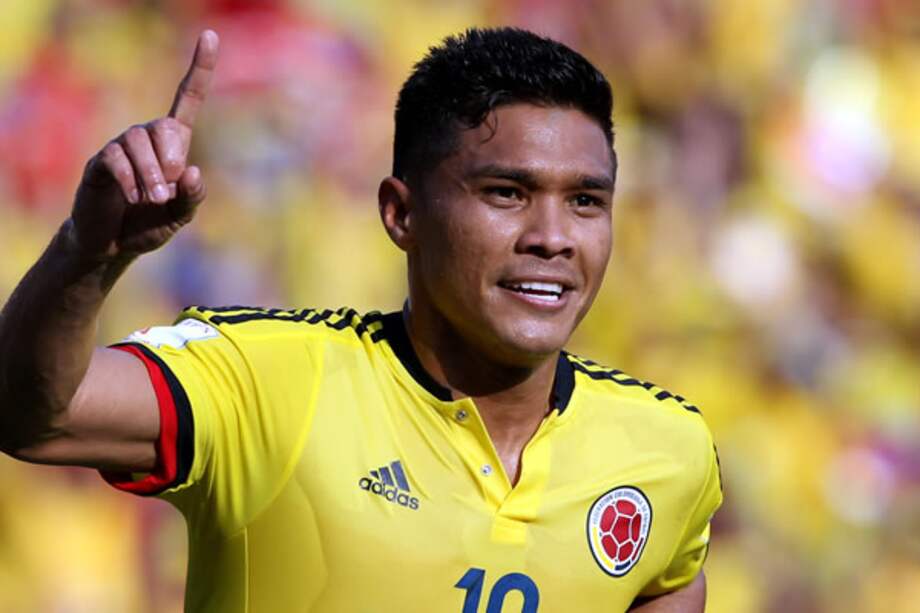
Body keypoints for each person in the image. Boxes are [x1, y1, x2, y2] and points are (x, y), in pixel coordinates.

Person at [0, 27, 722, 612]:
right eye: (507, 192)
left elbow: (669, 578)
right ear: (401, 213)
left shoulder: (668, 453)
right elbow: (34, 416)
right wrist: (88, 253)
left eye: (586, 202)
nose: (553, 235)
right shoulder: (272, 380)